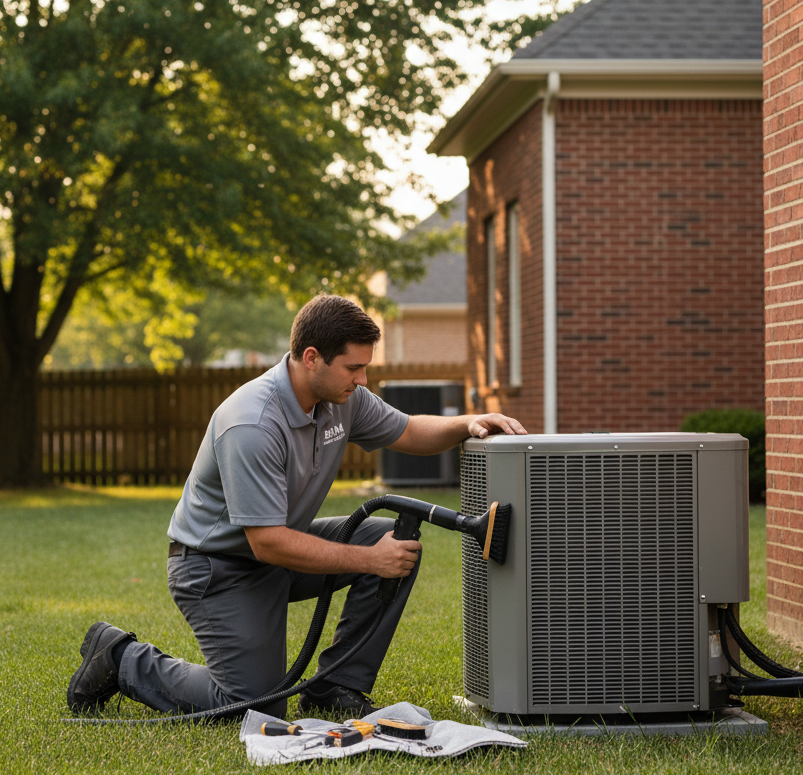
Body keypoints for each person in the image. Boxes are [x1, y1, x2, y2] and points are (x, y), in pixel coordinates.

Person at [67, 294, 526, 719]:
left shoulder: (340, 399)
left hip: (276, 549)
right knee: (253, 705)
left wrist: (469, 422)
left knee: (391, 539)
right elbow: (267, 543)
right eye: (353, 368)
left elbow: (406, 430)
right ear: (311, 358)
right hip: (217, 568)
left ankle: (336, 686)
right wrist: (370, 561)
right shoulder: (252, 424)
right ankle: (120, 657)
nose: (363, 380)